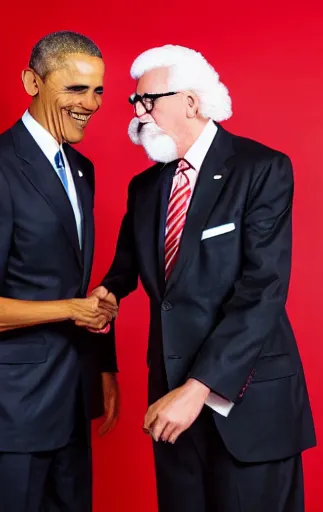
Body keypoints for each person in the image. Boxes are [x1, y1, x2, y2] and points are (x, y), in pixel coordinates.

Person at [96, 44, 316, 511]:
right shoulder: (146, 187)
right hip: (171, 412)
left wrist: (196, 391)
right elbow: (124, 269)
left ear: (191, 103)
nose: (138, 114)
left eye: (147, 101)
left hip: (247, 404)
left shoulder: (262, 169)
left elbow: (262, 291)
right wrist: (105, 295)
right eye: (135, 103)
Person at [0, 31, 120, 512]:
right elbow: (71, 300)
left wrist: (105, 365)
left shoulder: (81, 168)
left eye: (97, 91)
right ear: (32, 81)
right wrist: (74, 309)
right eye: (75, 89)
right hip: (13, 410)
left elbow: (74, 281)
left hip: (71, 401)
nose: (89, 103)